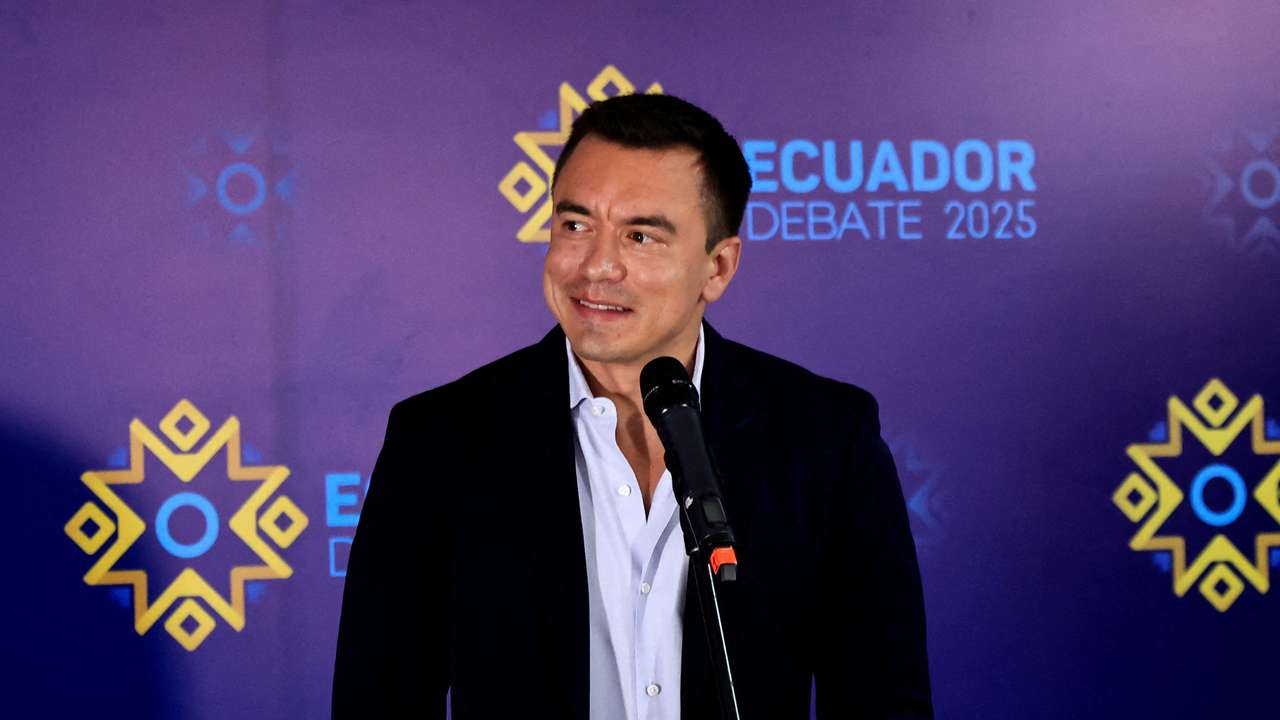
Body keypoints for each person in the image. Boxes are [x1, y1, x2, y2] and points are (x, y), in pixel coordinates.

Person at [332, 93, 932, 719]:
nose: (596, 265)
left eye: (640, 236)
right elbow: (378, 700)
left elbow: (883, 700)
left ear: (718, 267)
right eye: (575, 225)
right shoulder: (438, 441)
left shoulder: (826, 438)